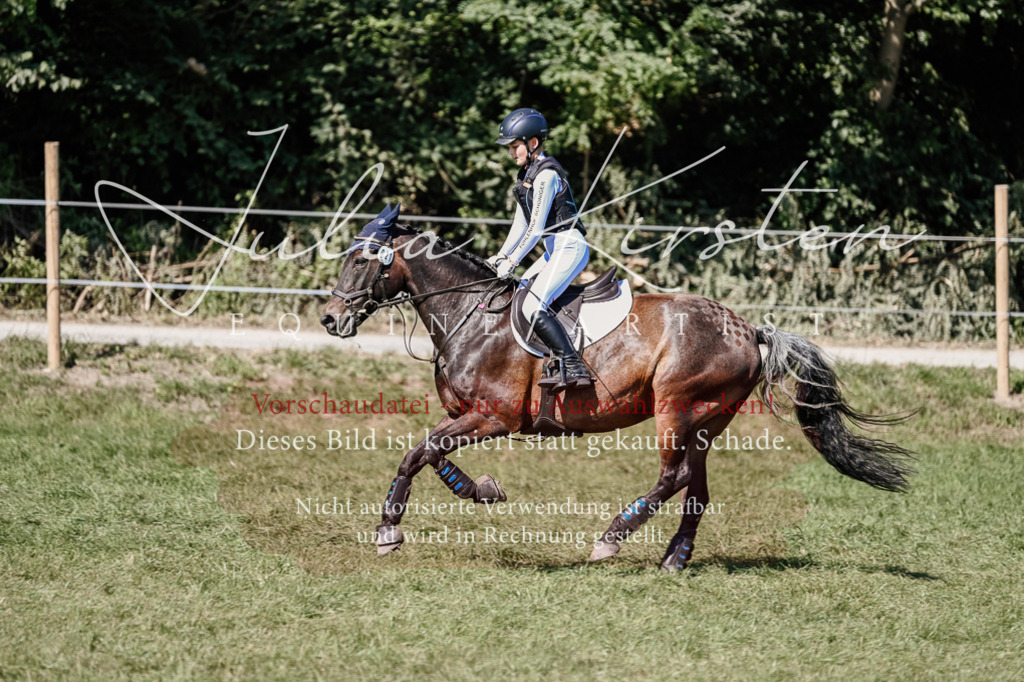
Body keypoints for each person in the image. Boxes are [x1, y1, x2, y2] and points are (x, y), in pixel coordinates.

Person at [488, 107, 593, 392]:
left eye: (514, 146)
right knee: (520, 295)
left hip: (569, 247)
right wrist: (500, 255)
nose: (511, 152)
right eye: (509, 147)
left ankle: (574, 366)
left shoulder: (546, 175)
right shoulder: (527, 175)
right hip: (553, 250)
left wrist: (513, 260)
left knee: (534, 305)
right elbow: (519, 224)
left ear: (533, 143)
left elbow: (534, 229)